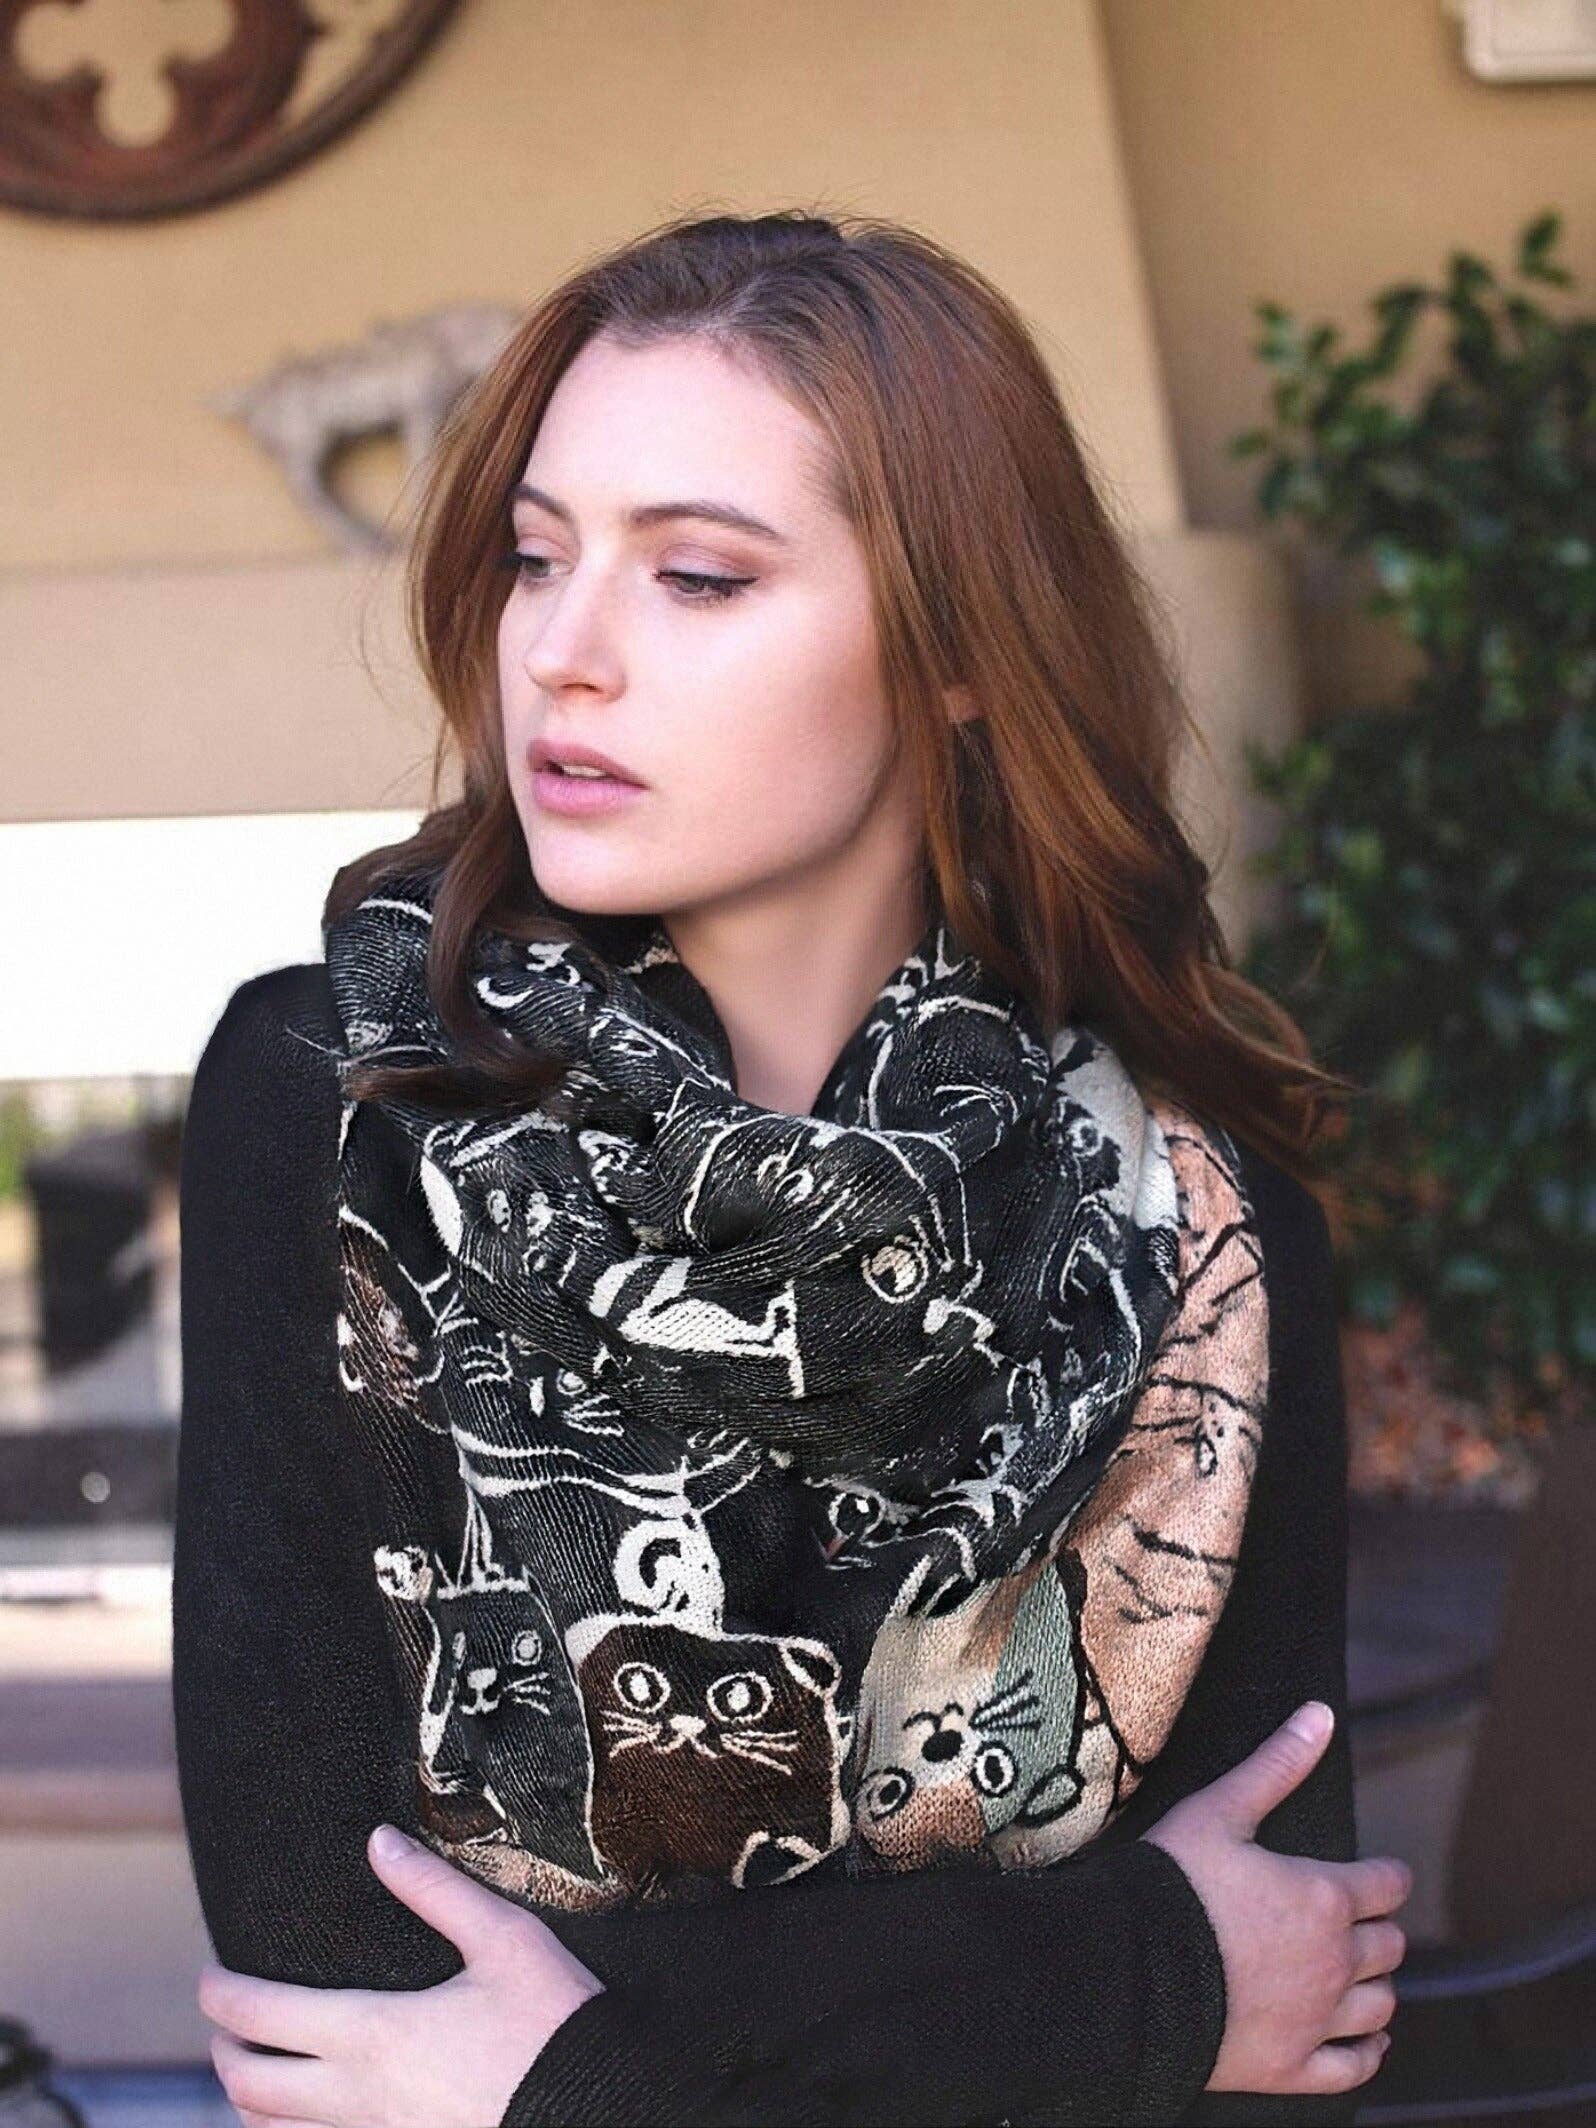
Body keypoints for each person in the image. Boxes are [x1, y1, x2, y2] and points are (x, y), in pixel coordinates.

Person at [172, 209, 1411, 2128]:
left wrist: (576, 2073)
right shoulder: (333, 1099)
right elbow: (324, 1969)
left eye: (697, 577)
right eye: (536, 557)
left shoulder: (1195, 1207)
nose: (561, 654)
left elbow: (1299, 1978)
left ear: (957, 654)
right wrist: (1136, 1978)